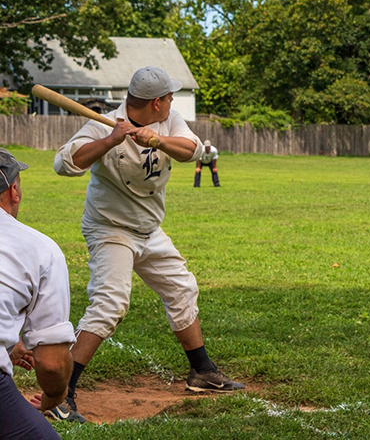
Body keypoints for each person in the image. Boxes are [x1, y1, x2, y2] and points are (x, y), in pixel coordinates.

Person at [52, 66, 244, 422]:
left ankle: (201, 372)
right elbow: (63, 164)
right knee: (110, 304)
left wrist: (156, 140)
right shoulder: (103, 125)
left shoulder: (170, 121)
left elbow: (192, 150)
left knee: (182, 288)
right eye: (169, 97)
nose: (173, 101)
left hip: (149, 229)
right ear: (156, 102)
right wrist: (111, 140)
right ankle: (61, 393)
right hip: (111, 229)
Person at [0, 149, 76, 439]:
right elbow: (53, 364)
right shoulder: (40, 249)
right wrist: (55, 396)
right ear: (14, 190)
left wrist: (7, 344)